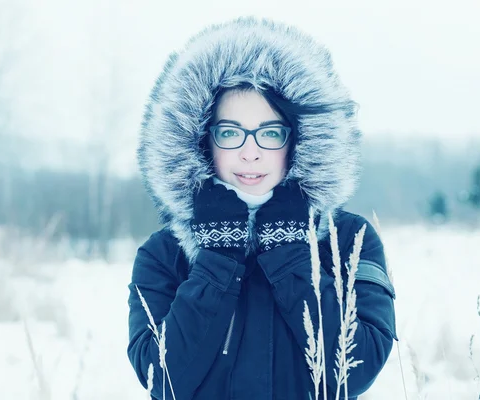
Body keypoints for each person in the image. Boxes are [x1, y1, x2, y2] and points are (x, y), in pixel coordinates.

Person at [127, 17, 397, 400]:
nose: (250, 152)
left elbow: (355, 372)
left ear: (297, 140)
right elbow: (162, 378)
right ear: (204, 140)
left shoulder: (349, 241)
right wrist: (217, 256)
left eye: (269, 132)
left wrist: (290, 254)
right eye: (230, 132)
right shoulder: (164, 254)